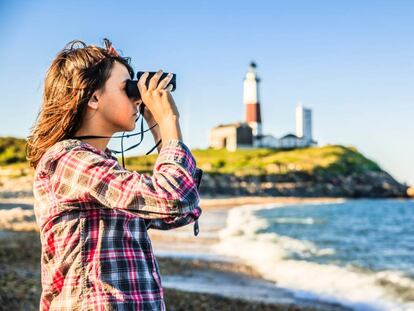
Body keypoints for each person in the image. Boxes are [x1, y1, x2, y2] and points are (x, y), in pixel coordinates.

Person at [26, 38, 202, 310]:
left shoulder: (103, 166)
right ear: (94, 97)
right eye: (127, 87)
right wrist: (169, 122)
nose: (136, 97)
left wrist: (157, 128)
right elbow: (174, 199)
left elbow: (180, 212)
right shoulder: (68, 160)